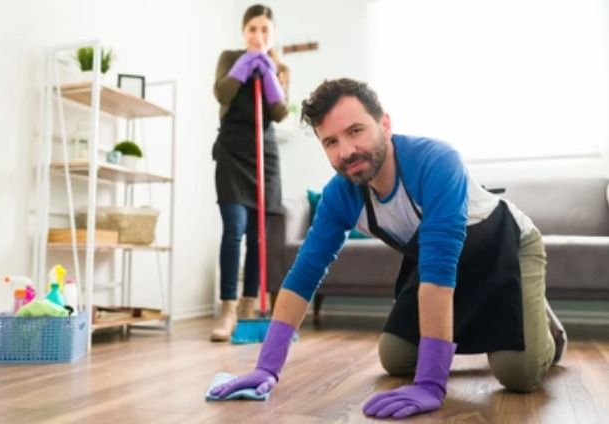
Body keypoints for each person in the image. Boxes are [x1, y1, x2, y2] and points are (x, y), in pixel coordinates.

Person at [210, 78, 567, 419]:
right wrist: (266, 367)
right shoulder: (340, 194)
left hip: (504, 247)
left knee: (518, 374)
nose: (346, 152)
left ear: (385, 124)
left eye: (355, 131)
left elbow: (439, 272)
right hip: (435, 265)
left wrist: (430, 384)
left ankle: (546, 331)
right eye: (330, 142)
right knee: (396, 357)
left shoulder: (437, 162)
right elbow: (303, 276)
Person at [210, 4, 289, 342]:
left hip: (264, 156)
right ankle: (227, 307)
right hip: (233, 151)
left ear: (272, 34)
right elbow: (222, 93)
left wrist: (269, 73)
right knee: (235, 230)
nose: (258, 36)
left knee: (259, 236)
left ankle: (248, 306)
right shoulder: (229, 58)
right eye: (252, 29)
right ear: (244, 32)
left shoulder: (281, 66)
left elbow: (281, 111)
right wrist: (244, 67)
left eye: (264, 31)